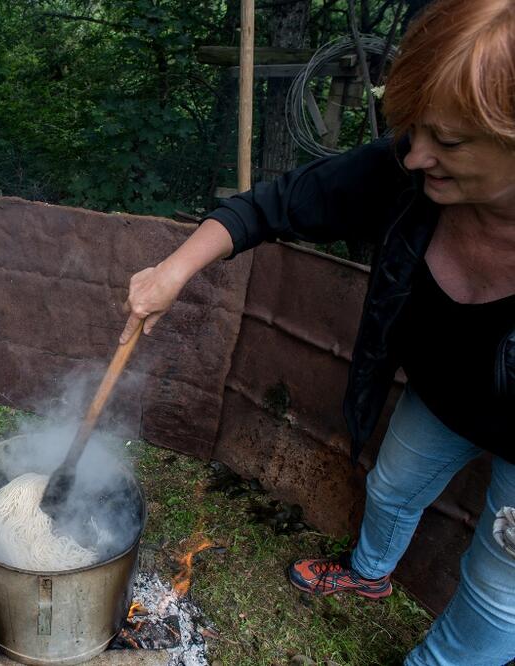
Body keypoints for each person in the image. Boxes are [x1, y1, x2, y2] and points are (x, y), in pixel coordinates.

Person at [120, 0, 514, 663]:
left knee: (496, 592)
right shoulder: (405, 174)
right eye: (412, 129)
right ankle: (369, 576)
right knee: (391, 488)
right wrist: (171, 272)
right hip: (444, 395)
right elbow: (267, 207)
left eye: (446, 140)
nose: (416, 156)